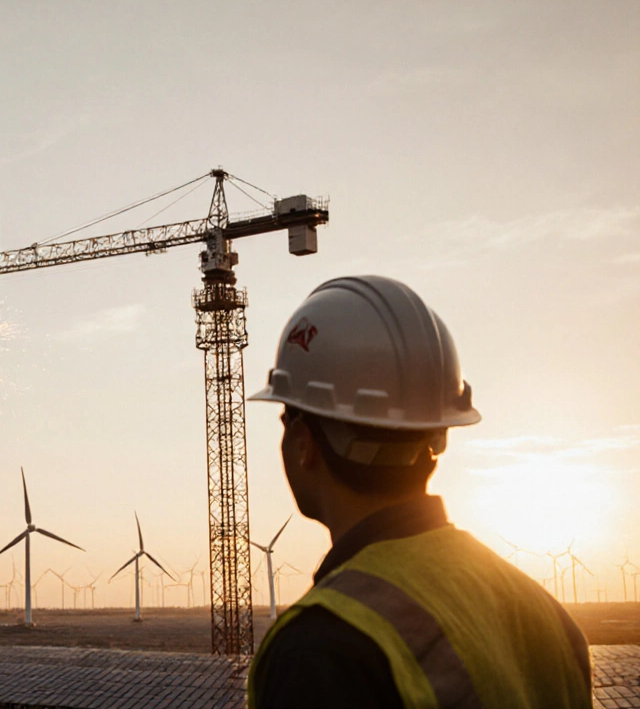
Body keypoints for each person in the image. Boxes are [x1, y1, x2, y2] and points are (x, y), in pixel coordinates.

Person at [245, 276, 592, 709]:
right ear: (437, 435)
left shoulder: (320, 650)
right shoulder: (546, 615)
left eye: (285, 420)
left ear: (303, 443)